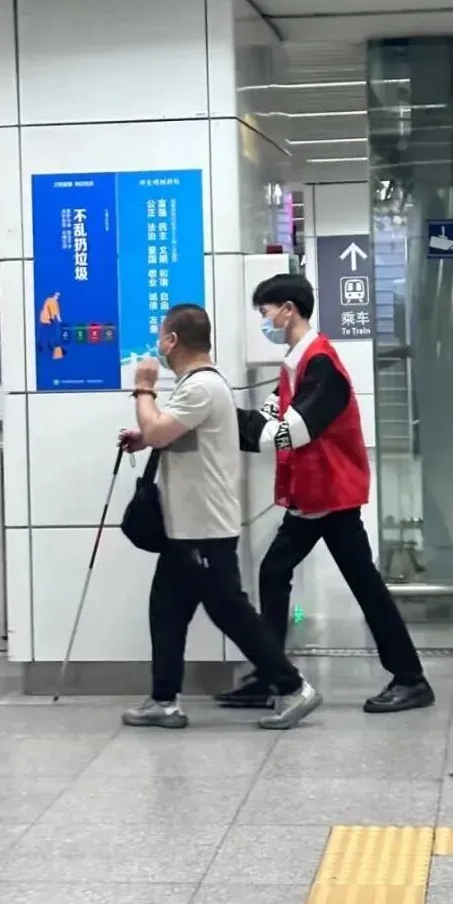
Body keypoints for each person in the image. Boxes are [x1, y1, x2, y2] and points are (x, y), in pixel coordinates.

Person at [220, 272, 435, 716]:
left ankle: (410, 678)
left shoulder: (321, 364)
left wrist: (221, 416)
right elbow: (268, 418)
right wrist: (220, 416)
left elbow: (289, 432)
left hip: (330, 494)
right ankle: (272, 674)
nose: (263, 320)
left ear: (288, 310)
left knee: (361, 585)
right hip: (311, 493)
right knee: (276, 572)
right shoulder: (295, 363)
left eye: (265, 311)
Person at [119, 301, 321, 732]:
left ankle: (292, 687)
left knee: (231, 612)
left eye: (161, 336)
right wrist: (146, 438)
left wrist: (143, 389)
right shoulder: (199, 386)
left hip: (204, 527)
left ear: (173, 340)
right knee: (166, 610)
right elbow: (170, 434)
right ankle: (163, 700)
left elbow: (159, 428)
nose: (157, 345)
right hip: (186, 527)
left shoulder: (201, 386)